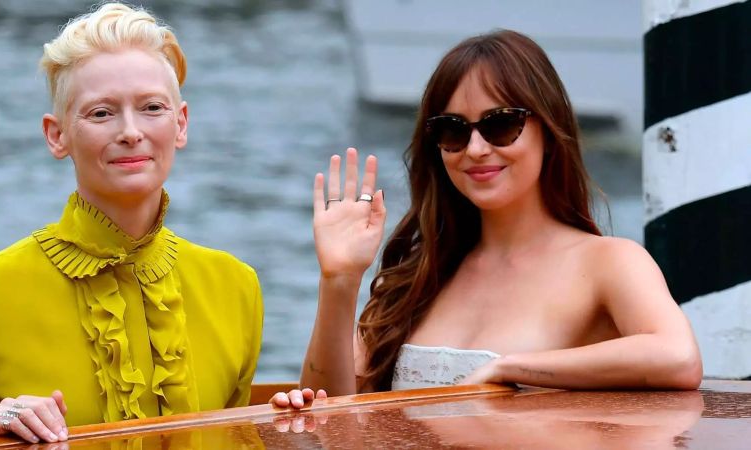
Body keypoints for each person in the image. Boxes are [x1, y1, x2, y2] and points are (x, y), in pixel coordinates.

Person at [0, 3, 270, 447]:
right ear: (56, 135)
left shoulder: (237, 288)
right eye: (101, 113)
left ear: (180, 124)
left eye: (152, 107)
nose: (130, 131)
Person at [290, 29, 703, 400]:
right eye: (453, 129)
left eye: (500, 124)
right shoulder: (419, 275)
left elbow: (678, 357)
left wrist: (511, 368)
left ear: (549, 129)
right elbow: (327, 420)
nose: (475, 148)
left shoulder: (608, 261)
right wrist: (339, 282)